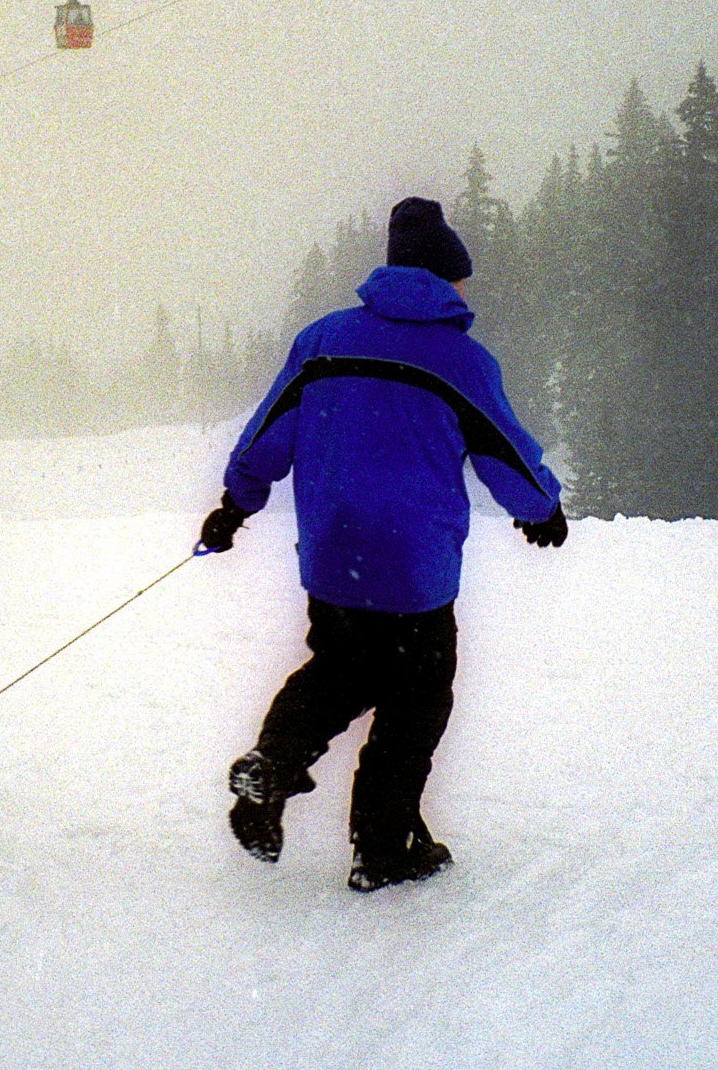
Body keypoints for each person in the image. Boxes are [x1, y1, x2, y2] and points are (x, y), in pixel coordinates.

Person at [195, 196, 566, 892]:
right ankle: (382, 847)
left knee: (338, 669)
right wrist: (542, 509)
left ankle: (272, 763)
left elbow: (266, 433)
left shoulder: (323, 339)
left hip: (336, 556)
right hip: (413, 565)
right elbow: (508, 456)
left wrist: (235, 503)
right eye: (462, 281)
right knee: (416, 699)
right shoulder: (461, 358)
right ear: (445, 277)